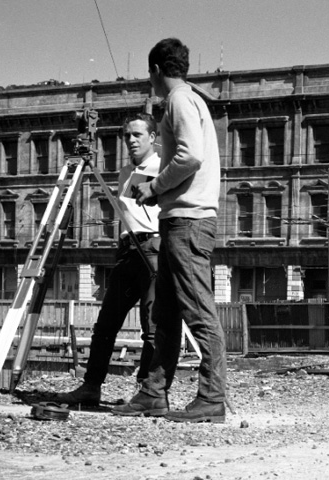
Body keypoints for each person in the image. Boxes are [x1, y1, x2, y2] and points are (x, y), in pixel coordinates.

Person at [113, 37, 227, 423]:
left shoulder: (178, 100)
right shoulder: (192, 100)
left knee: (197, 310)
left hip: (188, 220)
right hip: (179, 218)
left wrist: (155, 186)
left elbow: (189, 155)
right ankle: (153, 392)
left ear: (157, 71)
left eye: (150, 75)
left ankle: (211, 399)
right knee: (164, 313)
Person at [56, 113, 161, 406]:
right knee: (105, 324)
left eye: (137, 135)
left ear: (152, 137)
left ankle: (147, 392)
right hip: (127, 249)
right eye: (127, 135)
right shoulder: (126, 172)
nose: (131, 140)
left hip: (153, 248)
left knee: (151, 326)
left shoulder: (163, 167)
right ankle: (91, 386)